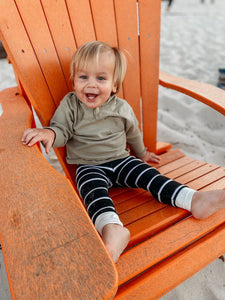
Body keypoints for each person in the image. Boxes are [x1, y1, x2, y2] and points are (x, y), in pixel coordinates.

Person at [22, 41, 225, 263]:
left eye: (101, 78)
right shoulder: (70, 105)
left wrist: (142, 153)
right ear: (74, 80)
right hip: (89, 166)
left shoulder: (121, 108)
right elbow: (62, 129)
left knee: (150, 176)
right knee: (93, 192)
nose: (91, 85)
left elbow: (133, 134)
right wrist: (50, 134)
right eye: (83, 77)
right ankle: (113, 230)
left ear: (114, 85)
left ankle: (193, 199)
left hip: (121, 161)